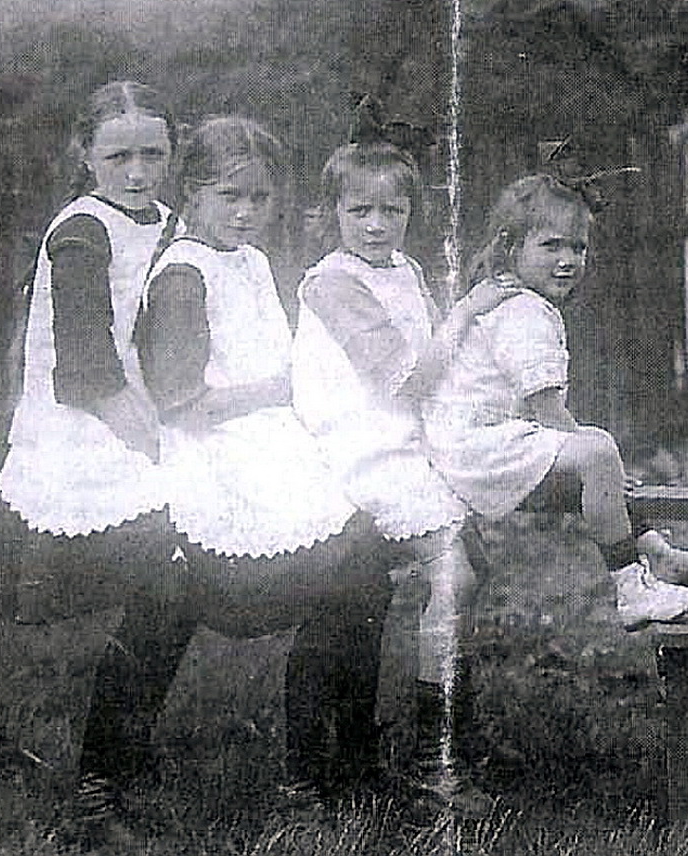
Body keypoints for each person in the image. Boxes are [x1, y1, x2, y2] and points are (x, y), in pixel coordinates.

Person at [135, 116, 400, 813]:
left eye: (259, 198)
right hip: (217, 461)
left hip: (273, 446)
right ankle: (304, 778)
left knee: (367, 570)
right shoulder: (184, 275)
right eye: (231, 197)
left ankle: (350, 758)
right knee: (344, 574)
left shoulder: (247, 261)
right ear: (192, 193)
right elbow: (179, 400)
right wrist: (284, 390)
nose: (248, 213)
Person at [289, 112, 507, 817]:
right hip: (361, 450)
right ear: (333, 214)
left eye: (394, 209)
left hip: (412, 445)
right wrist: (471, 311)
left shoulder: (406, 271)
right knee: (456, 576)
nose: (377, 225)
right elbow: (408, 375)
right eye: (360, 210)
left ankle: (446, 739)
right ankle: (432, 759)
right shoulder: (331, 282)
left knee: (462, 580)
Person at [0, 80, 186, 844]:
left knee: (176, 590)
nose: (138, 172)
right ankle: (101, 788)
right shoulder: (81, 231)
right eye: (119, 156)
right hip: (84, 428)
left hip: (148, 411)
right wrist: (165, 453)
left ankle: (124, 753)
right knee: (171, 576)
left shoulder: (171, 224)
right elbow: (86, 371)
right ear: (87, 156)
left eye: (154, 154)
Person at [421, 173, 688, 631]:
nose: (567, 260)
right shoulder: (521, 312)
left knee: (598, 455)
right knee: (596, 452)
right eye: (551, 246)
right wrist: (600, 461)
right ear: (511, 247)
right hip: (471, 443)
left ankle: (659, 554)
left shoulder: (523, 301)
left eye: (577, 248)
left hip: (478, 437)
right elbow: (548, 411)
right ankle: (631, 588)